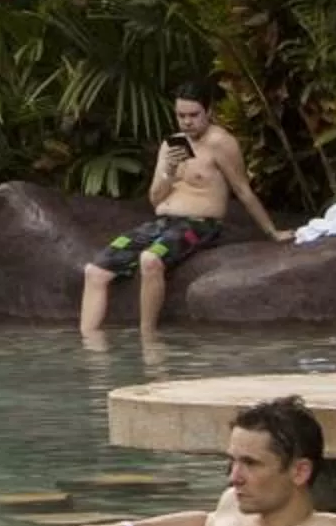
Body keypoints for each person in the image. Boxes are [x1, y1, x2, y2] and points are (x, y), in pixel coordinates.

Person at [78, 81, 290, 336]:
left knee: (150, 259)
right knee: (95, 271)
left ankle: (148, 339)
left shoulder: (220, 142)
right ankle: (89, 349)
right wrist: (168, 170)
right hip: (162, 222)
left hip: (199, 223)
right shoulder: (172, 145)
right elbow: (155, 199)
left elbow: (243, 190)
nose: (187, 122)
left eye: (193, 115)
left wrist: (272, 232)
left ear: (208, 112)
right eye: (181, 116)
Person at [55, 395, 336, 526]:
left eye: (251, 464)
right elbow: (204, 522)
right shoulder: (233, 506)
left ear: (299, 471)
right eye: (232, 461)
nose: (234, 478)